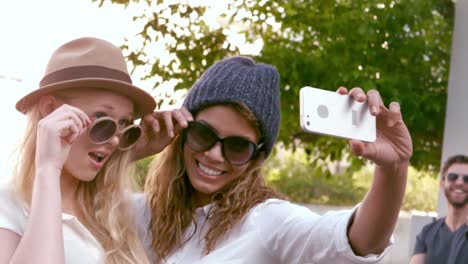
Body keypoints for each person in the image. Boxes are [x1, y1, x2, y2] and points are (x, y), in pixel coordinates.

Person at [133, 55, 413, 264]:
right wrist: (132, 150)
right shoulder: (139, 211)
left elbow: (358, 241)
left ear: (257, 156)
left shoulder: (266, 221)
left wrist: (394, 168)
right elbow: (88, 195)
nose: (214, 154)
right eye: (203, 134)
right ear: (181, 131)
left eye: (238, 147)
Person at [0, 37, 160, 264]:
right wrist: (48, 168)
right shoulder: (9, 203)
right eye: (101, 119)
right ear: (51, 109)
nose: (114, 140)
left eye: (124, 125)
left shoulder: (118, 210)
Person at [410, 155, 468, 264]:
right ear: (442, 183)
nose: (460, 182)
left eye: (467, 178)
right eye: (453, 176)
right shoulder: (427, 233)